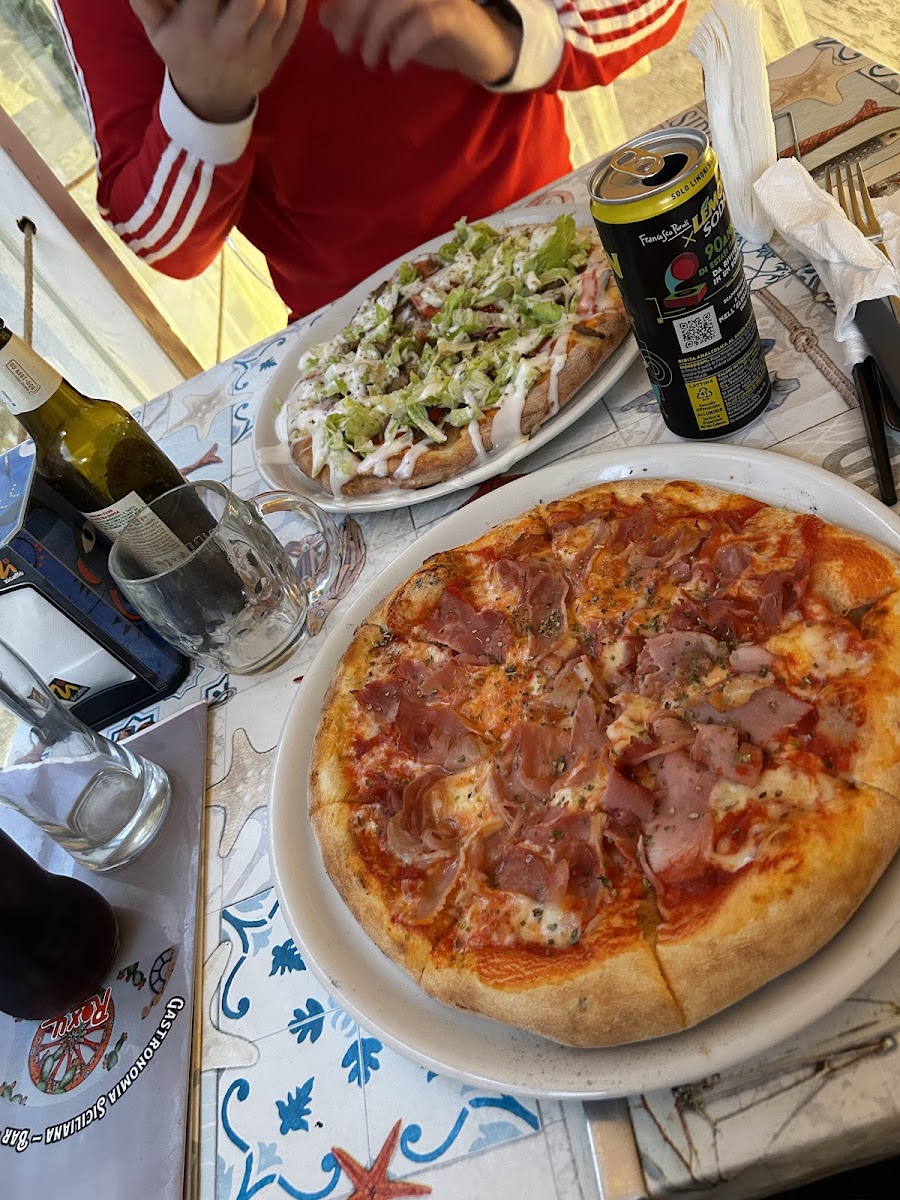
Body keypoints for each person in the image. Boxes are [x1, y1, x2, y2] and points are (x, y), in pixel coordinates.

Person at [53, 0, 686, 320]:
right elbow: (161, 240)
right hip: (359, 339)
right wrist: (204, 103)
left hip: (562, 245)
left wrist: (503, 31)